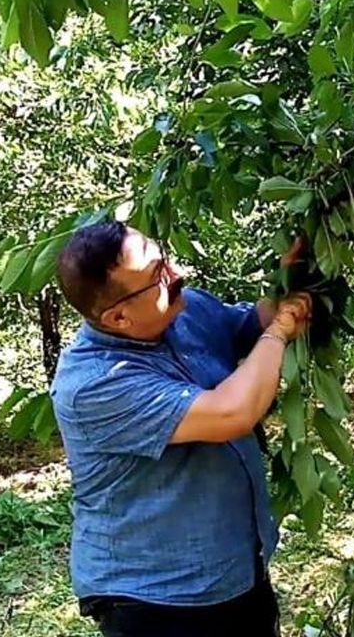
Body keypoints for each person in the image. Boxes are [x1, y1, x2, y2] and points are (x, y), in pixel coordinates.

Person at [48, 219, 312, 637]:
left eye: (164, 261)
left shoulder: (184, 310)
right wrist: (281, 332)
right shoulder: (94, 384)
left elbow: (249, 325)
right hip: (157, 602)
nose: (178, 275)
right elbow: (232, 412)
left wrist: (290, 282)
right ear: (118, 317)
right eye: (158, 276)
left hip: (236, 575)